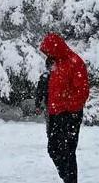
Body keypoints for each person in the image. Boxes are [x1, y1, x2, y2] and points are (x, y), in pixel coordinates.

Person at [39, 33, 90, 183]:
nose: (47, 55)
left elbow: (82, 91)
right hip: (55, 113)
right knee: (53, 149)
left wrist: (68, 108)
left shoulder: (75, 62)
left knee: (68, 152)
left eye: (49, 51)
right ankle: (67, 178)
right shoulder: (54, 63)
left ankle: (70, 180)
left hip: (70, 114)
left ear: (56, 49)